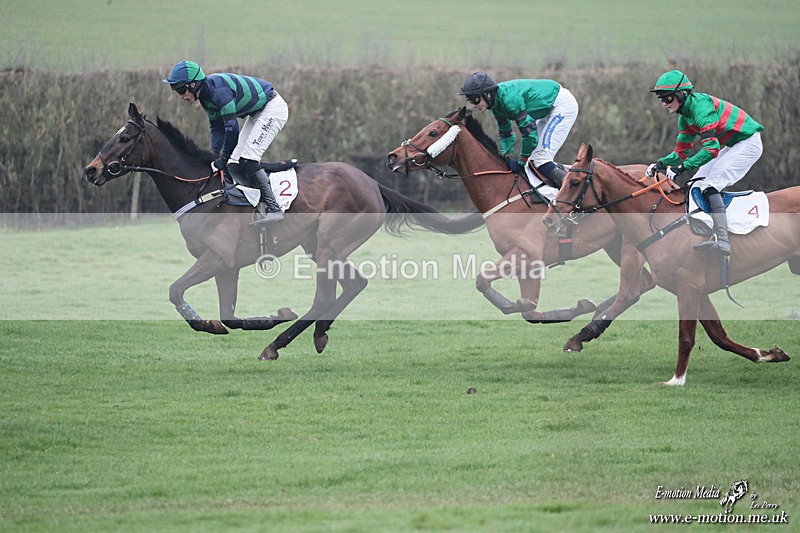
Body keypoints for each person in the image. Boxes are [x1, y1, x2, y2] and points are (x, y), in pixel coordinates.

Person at [645, 69, 764, 255]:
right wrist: (661, 163)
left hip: (747, 143)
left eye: (667, 98)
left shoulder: (701, 108)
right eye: (661, 98)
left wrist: (682, 167)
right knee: (694, 185)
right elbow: (681, 153)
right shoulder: (685, 117)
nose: (663, 104)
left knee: (710, 186)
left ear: (680, 95)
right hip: (732, 145)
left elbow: (711, 149)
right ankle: (706, 232)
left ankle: (723, 240)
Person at [162, 60, 288, 223]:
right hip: (257, 113)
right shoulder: (206, 97)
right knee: (234, 162)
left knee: (249, 159)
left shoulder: (218, 93)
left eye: (180, 89)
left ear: (193, 84)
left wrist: (222, 158)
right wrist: (217, 157)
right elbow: (216, 128)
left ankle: (274, 208)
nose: (179, 96)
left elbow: (232, 129)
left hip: (272, 109)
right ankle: (255, 202)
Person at [458, 71, 579, 188]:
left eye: (476, 100)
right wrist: (506, 155)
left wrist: (521, 161)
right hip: (547, 110)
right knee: (532, 161)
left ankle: (574, 191)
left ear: (487, 94)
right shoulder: (495, 104)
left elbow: (530, 136)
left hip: (562, 106)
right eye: (471, 100)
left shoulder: (509, 101)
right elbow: (505, 132)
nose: (474, 105)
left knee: (541, 159)